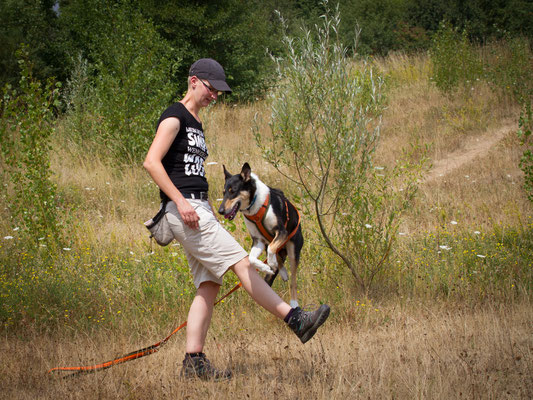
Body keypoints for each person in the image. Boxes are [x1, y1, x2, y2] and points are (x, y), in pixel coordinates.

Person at [143, 58, 330, 381]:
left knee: (209, 284)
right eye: (211, 88)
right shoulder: (175, 118)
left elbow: (186, 171)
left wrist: (205, 207)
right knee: (241, 263)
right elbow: (151, 162)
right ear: (193, 81)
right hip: (184, 210)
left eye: (218, 91)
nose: (214, 95)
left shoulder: (196, 123)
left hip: (197, 209)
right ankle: (296, 320)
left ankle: (193, 362)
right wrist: (181, 202)